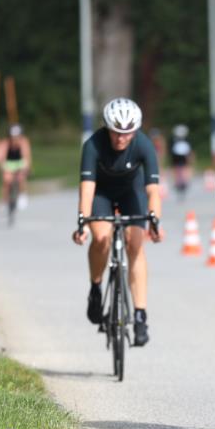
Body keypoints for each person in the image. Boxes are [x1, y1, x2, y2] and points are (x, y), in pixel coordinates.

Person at [72, 97, 163, 346]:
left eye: (127, 133)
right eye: (116, 132)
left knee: (135, 245)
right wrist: (82, 223)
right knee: (102, 237)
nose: (121, 138)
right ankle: (95, 288)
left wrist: (155, 222)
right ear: (107, 128)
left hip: (131, 192)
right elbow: (87, 189)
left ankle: (140, 315)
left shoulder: (144, 144)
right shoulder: (93, 145)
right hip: (101, 193)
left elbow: (153, 190)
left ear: (135, 130)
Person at [0, 123, 32, 211]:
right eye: (13, 136)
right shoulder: (5, 143)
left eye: (17, 136)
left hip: (20, 162)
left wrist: (26, 168)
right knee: (7, 180)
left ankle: (22, 195)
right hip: (8, 163)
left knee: (21, 178)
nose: (15, 139)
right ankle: (5, 201)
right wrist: (2, 167)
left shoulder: (23, 142)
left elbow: (26, 156)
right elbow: (0, 157)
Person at [169, 124, 194, 199]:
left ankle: (184, 183)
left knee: (184, 170)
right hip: (176, 159)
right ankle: (178, 183)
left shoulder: (187, 140)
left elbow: (189, 151)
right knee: (177, 171)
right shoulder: (173, 141)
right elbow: (171, 151)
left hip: (183, 159)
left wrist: (190, 158)